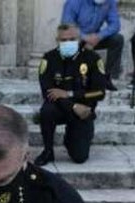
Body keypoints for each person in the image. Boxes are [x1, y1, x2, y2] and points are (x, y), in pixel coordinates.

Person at [35, 23, 106, 166]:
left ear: (79, 39)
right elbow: (48, 92)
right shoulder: (49, 59)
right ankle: (48, 151)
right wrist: (73, 105)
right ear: (57, 40)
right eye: (63, 40)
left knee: (79, 157)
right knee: (46, 111)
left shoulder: (92, 58)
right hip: (61, 107)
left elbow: (100, 93)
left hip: (83, 111)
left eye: (72, 39)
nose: (68, 43)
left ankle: (71, 138)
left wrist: (70, 94)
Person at [61, 0, 123, 90]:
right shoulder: (74, 2)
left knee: (117, 39)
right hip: (77, 37)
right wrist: (85, 38)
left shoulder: (109, 2)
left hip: (95, 38)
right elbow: (66, 25)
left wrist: (99, 36)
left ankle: (106, 78)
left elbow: (115, 25)